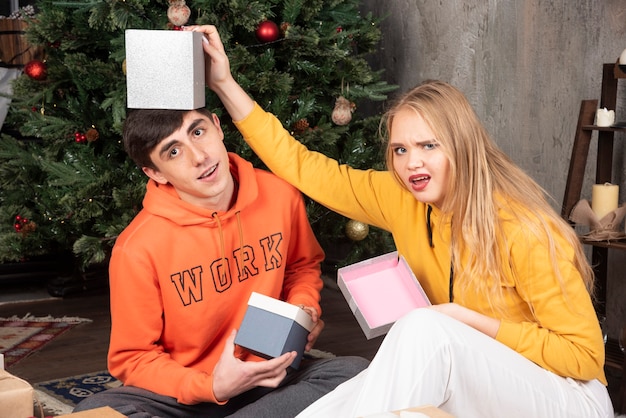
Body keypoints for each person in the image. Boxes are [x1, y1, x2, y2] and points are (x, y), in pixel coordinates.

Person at [190, 24, 614, 417]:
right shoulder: (402, 197)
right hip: (478, 383)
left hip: (566, 395)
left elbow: (583, 357)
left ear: (461, 147)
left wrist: (466, 321)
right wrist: (224, 84)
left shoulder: (522, 228)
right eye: (400, 150)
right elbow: (301, 166)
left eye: (428, 145)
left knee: (425, 328)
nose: (412, 163)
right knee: (341, 401)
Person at [72, 105, 369, 417]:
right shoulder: (136, 248)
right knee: (96, 412)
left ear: (217, 126)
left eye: (198, 132)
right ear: (155, 173)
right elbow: (133, 357)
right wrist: (212, 387)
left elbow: (300, 266)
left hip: (271, 378)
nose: (199, 157)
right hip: (185, 394)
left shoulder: (279, 194)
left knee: (355, 373)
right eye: (173, 152)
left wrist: (304, 305)